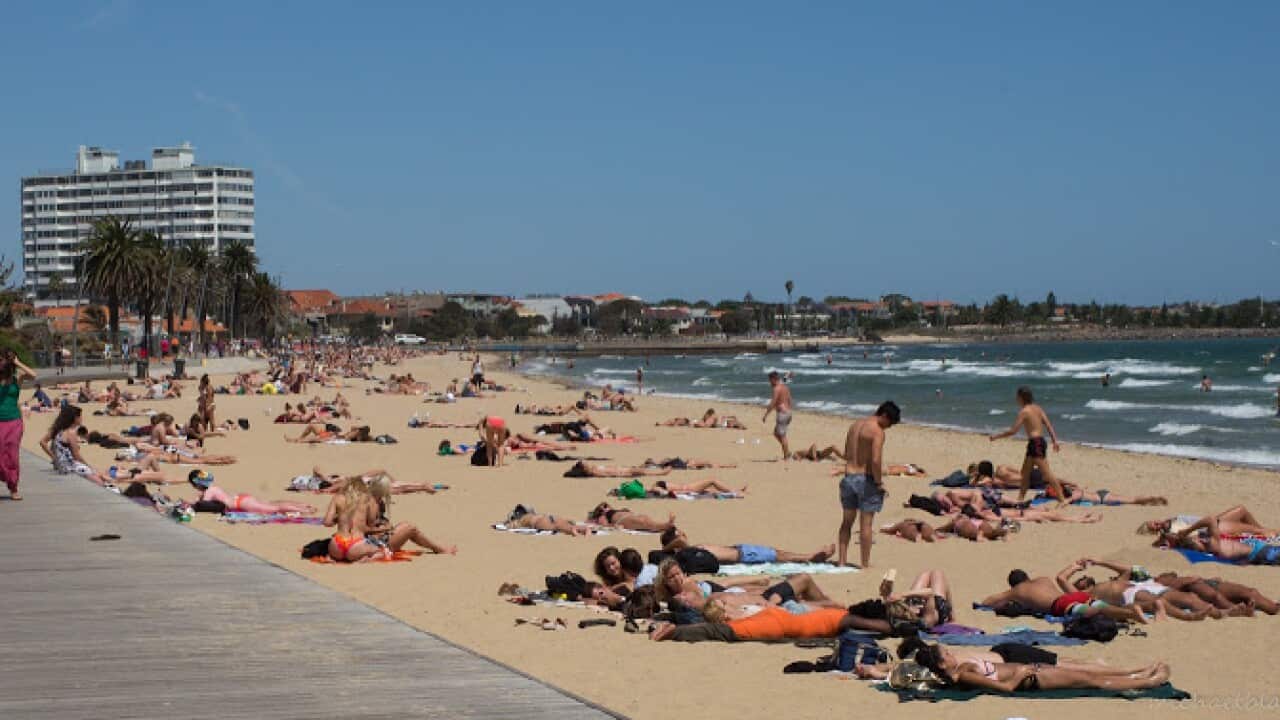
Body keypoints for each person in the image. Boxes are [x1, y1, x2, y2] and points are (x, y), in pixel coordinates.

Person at [907, 640, 1170, 693]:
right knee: (1092, 681)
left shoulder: (956, 672)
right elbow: (1006, 687)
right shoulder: (964, 674)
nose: (952, 653)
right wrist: (1021, 671)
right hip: (1032, 679)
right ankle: (1147, 681)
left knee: (1086, 674)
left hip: (1032, 673)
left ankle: (1136, 673)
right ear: (943, 662)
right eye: (948, 653)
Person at [838, 401, 900, 568]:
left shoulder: (855, 425)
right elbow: (875, 459)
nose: (889, 427)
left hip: (848, 477)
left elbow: (846, 454)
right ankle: (864, 563)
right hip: (865, 479)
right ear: (885, 416)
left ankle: (842, 561)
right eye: (890, 423)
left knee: (846, 522)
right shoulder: (877, 431)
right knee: (866, 524)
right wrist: (879, 483)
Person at [980, 566, 1146, 624]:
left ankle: (1132, 614)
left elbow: (988, 601)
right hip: (1072, 596)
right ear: (1027, 577)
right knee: (1101, 606)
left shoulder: (1017, 590)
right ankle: (1132, 613)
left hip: (1060, 605)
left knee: (1093, 611)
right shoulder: (1042, 579)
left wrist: (1004, 598)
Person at [989, 386, 1065, 506]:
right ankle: (1020, 498)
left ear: (1021, 398)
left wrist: (997, 436)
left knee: (1046, 474)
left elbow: (1013, 431)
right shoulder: (1038, 408)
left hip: (1036, 444)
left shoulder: (1024, 411)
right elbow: (1048, 425)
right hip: (1037, 443)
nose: (1016, 399)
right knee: (1025, 474)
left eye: (1017, 397)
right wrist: (1055, 441)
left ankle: (1062, 499)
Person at [659, 527, 833, 564]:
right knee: (777, 555)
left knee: (777, 552)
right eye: (679, 533)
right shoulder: (684, 552)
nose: (683, 534)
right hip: (743, 555)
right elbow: (680, 542)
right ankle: (809, 557)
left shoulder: (688, 552)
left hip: (740, 550)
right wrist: (668, 547)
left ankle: (808, 556)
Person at [188, 469, 317, 514]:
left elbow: (203, 504)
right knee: (271, 503)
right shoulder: (213, 487)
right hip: (242, 499)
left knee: (274, 508)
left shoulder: (209, 491)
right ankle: (302, 505)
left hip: (241, 504)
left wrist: (195, 501)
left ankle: (305, 510)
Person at [40, 405, 108, 485]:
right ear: (75, 418)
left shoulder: (57, 429)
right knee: (99, 481)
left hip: (60, 465)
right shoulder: (71, 433)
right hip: (69, 466)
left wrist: (54, 458)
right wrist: (89, 466)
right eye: (80, 416)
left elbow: (42, 442)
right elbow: (76, 456)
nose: (82, 418)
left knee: (99, 475)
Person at [0, 350, 35, 500]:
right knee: (0, 454)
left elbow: (33, 375)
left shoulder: (17, 379)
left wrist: (17, 361)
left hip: (14, 421)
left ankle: (13, 488)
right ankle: (6, 478)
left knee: (13, 456)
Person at [761, 370, 793, 460]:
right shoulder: (785, 387)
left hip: (782, 414)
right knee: (776, 433)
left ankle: (787, 456)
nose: (769, 382)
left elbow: (773, 403)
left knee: (782, 436)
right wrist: (790, 412)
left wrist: (766, 415)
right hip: (788, 413)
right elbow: (790, 399)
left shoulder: (776, 389)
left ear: (774, 379)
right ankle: (787, 452)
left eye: (770, 380)